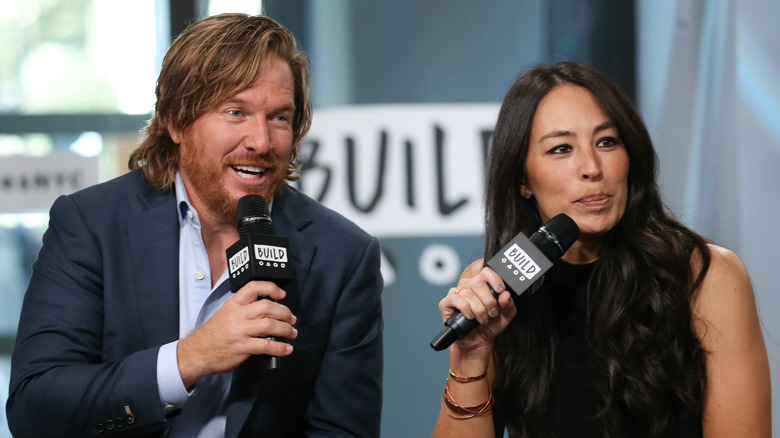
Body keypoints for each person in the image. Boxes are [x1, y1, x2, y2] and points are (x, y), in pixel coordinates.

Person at [6, 13, 383, 437]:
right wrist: (189, 359)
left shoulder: (341, 254)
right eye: (236, 111)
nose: (262, 141)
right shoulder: (92, 224)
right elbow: (35, 410)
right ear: (176, 120)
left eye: (280, 117)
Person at [432, 61, 770, 438]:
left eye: (607, 142)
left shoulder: (705, 276)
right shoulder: (494, 285)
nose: (592, 168)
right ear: (522, 180)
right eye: (561, 149)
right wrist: (471, 357)